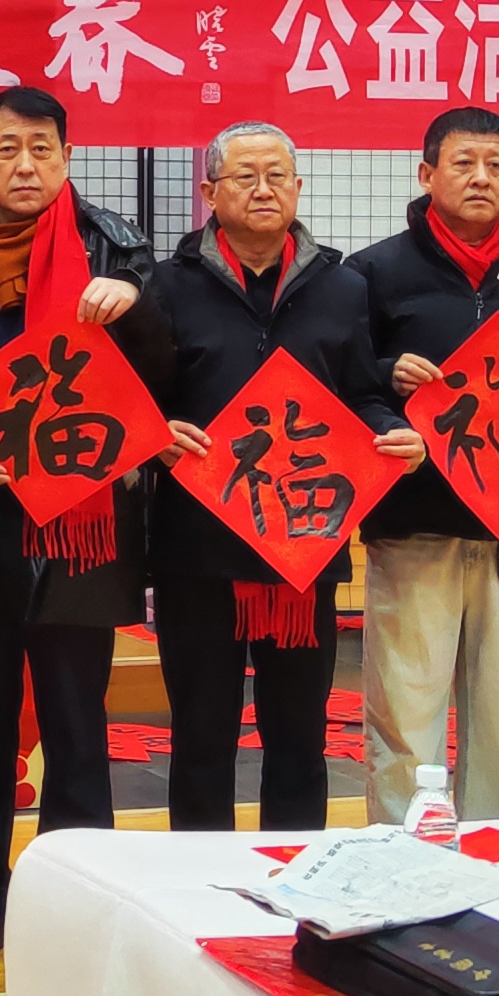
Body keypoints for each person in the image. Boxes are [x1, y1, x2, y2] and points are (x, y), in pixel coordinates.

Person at [0, 86, 175, 969]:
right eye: (7, 149)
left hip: (78, 526)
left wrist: (136, 305)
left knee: (74, 720)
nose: (25, 165)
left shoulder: (118, 247)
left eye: (42, 148)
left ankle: (78, 901)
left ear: (66, 157)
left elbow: (162, 375)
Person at [347, 104, 499, 828]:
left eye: (496, 166)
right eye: (463, 163)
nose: (481, 178)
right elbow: (345, 381)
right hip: (413, 523)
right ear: (427, 174)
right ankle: (403, 860)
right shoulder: (375, 272)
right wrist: (388, 379)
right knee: (405, 716)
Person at [149, 122, 374, 833]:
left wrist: (388, 428)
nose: (263, 189)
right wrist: (156, 435)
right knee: (201, 734)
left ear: (298, 188)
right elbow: (138, 398)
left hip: (304, 543)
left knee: (300, 735)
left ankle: (295, 870)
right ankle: (197, 875)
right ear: (210, 192)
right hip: (198, 548)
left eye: (277, 176)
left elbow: (364, 392)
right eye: (244, 176)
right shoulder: (166, 286)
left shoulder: (343, 287)